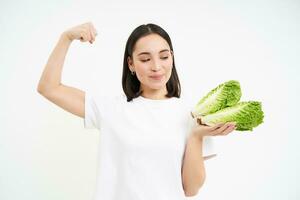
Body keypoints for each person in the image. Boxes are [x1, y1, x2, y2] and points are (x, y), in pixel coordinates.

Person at [37, 22, 236, 200]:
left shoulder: (193, 114)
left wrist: (196, 136)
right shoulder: (112, 109)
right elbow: (49, 88)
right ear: (131, 63)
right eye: (145, 59)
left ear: (172, 58)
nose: (157, 67)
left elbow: (191, 189)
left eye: (164, 56)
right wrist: (66, 38)